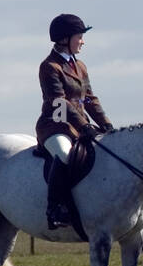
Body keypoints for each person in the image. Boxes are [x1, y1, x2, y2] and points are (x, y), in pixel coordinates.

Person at [36, 14, 113, 229]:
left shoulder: (80, 66)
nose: (83, 41)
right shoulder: (50, 66)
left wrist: (106, 124)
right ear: (64, 39)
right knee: (64, 154)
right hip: (55, 125)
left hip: (79, 126)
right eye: (79, 36)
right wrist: (84, 125)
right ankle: (54, 208)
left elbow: (89, 98)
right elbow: (59, 102)